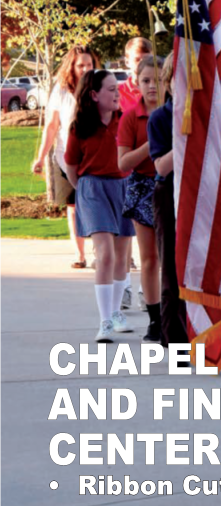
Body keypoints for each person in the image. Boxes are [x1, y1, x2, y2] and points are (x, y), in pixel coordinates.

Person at [64, 70, 135, 342]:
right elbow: (71, 168)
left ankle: (117, 313)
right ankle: (105, 320)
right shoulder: (79, 127)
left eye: (117, 89)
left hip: (123, 187)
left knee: (122, 255)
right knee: (104, 253)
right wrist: (85, 188)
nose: (117, 94)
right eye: (110, 89)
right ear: (94, 95)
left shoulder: (125, 121)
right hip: (92, 188)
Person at [32, 43, 101, 269]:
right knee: (73, 206)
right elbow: (52, 126)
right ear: (71, 67)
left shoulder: (100, 86)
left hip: (95, 156)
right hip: (66, 158)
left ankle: (101, 251)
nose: (85, 68)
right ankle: (79, 254)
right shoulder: (61, 90)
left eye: (89, 64)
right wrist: (41, 157)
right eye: (80, 65)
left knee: (97, 205)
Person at [116, 55, 162, 343]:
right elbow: (123, 162)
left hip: (172, 184)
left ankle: (177, 313)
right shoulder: (132, 117)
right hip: (143, 187)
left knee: (175, 257)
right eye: (146, 81)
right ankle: (155, 319)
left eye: (157, 80)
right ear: (137, 83)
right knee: (149, 258)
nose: (152, 86)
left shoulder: (176, 112)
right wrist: (150, 144)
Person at [146, 54, 186, 348]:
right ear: (169, 84)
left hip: (201, 191)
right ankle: (175, 340)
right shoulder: (161, 118)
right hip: (169, 193)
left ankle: (207, 339)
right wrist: (186, 136)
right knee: (172, 270)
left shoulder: (210, 116)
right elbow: (160, 166)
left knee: (203, 268)